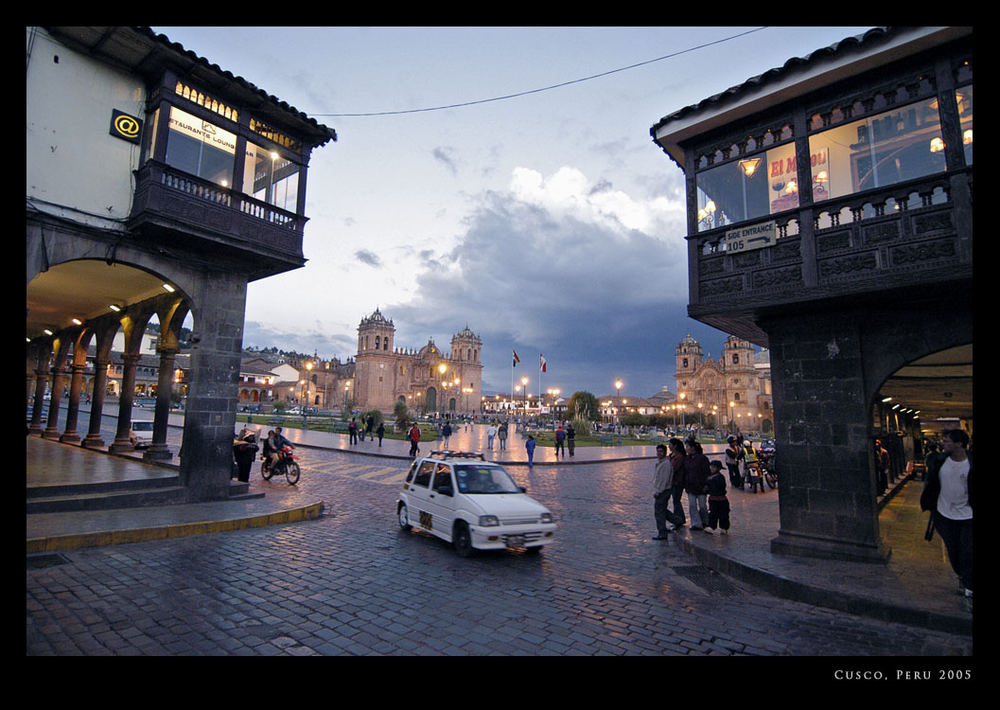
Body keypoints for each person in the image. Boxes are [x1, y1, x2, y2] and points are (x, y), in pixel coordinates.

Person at [920, 429, 973, 608]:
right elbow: (931, 482)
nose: (945, 444)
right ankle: (962, 575)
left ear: (959, 444)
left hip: (968, 514)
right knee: (953, 549)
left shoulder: (970, 462)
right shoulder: (939, 461)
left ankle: (969, 586)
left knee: (967, 550)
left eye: (948, 441)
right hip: (944, 513)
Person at [652, 444, 684, 539]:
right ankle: (677, 520)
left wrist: (658, 491)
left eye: (661, 451)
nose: (659, 453)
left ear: (665, 452)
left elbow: (664, 480)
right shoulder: (661, 463)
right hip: (662, 490)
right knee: (662, 510)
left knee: (659, 512)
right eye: (658, 451)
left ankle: (662, 532)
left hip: (663, 491)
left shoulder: (666, 464)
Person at [683, 438, 711, 530]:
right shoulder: (686, 459)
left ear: (693, 448)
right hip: (690, 487)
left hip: (701, 486)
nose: (686, 448)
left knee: (703, 506)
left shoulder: (702, 458)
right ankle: (696, 523)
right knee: (692, 505)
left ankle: (705, 522)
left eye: (687, 446)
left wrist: (706, 485)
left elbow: (707, 472)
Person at [705, 460, 730, 534]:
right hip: (713, 498)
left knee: (723, 514)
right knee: (713, 513)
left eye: (714, 467)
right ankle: (712, 527)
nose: (712, 468)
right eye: (711, 467)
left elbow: (721, 487)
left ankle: (724, 528)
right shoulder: (709, 477)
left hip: (721, 499)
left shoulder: (720, 477)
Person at [667, 438, 687, 527]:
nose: (669, 446)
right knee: (676, 501)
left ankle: (678, 520)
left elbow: (674, 468)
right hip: (671, 481)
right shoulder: (671, 455)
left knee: (676, 501)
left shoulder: (679, 457)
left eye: (670, 444)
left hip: (677, 482)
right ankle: (680, 519)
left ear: (675, 446)